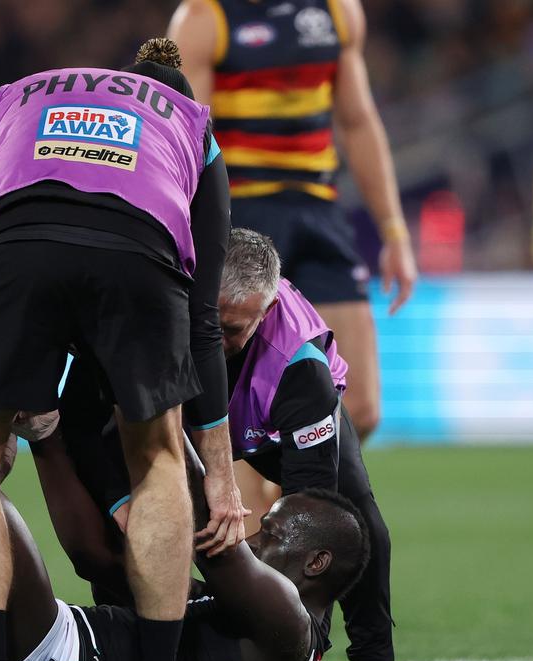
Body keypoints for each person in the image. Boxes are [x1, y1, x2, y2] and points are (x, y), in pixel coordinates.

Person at [0, 38, 247, 661]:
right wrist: (218, 475)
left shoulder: (21, 91)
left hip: (18, 240)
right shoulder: (191, 122)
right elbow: (204, 319)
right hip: (137, 249)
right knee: (155, 455)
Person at [50, 228, 407, 661]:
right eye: (208, 323)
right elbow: (83, 419)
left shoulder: (301, 370)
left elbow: (314, 525)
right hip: (180, 416)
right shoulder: (156, 302)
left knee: (363, 527)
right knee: (116, 533)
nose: (213, 343)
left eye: (234, 330)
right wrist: (121, 505)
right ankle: (135, 643)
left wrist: (304, 653)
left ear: (267, 312)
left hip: (271, 428)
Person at [167, 0, 417, 447]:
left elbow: (358, 123)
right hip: (241, 215)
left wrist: (394, 231)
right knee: (237, 414)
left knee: (359, 408)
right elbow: (184, 143)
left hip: (318, 210)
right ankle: (254, 508)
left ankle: (286, 498)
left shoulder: (337, 11)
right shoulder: (205, 19)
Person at [0, 428, 367, 661]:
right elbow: (95, 558)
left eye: (269, 533)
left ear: (316, 563)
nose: (249, 540)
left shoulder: (290, 623)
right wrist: (46, 438)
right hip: (57, 653)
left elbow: (210, 534)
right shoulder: (256, 626)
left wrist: (159, 409)